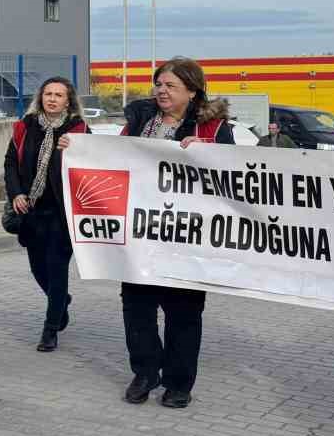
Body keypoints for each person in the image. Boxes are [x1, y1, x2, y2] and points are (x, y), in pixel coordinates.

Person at [94, 57, 234, 408]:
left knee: (183, 313)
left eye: (170, 85)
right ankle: (145, 372)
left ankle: (178, 382)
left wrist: (208, 156)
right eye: (158, 84)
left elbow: (233, 176)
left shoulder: (213, 129)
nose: (161, 90)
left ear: (192, 90)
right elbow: (113, 158)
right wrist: (79, 150)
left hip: (188, 237)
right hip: (141, 234)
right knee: (136, 308)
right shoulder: (140, 121)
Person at [6, 77, 90, 353]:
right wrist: (16, 193)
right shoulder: (25, 126)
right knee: (37, 268)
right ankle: (61, 301)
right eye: (48, 94)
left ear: (69, 100)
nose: (52, 99)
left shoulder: (77, 130)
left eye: (59, 95)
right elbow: (10, 162)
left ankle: (51, 328)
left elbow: (91, 165)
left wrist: (77, 148)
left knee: (57, 269)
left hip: (61, 211)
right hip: (31, 209)